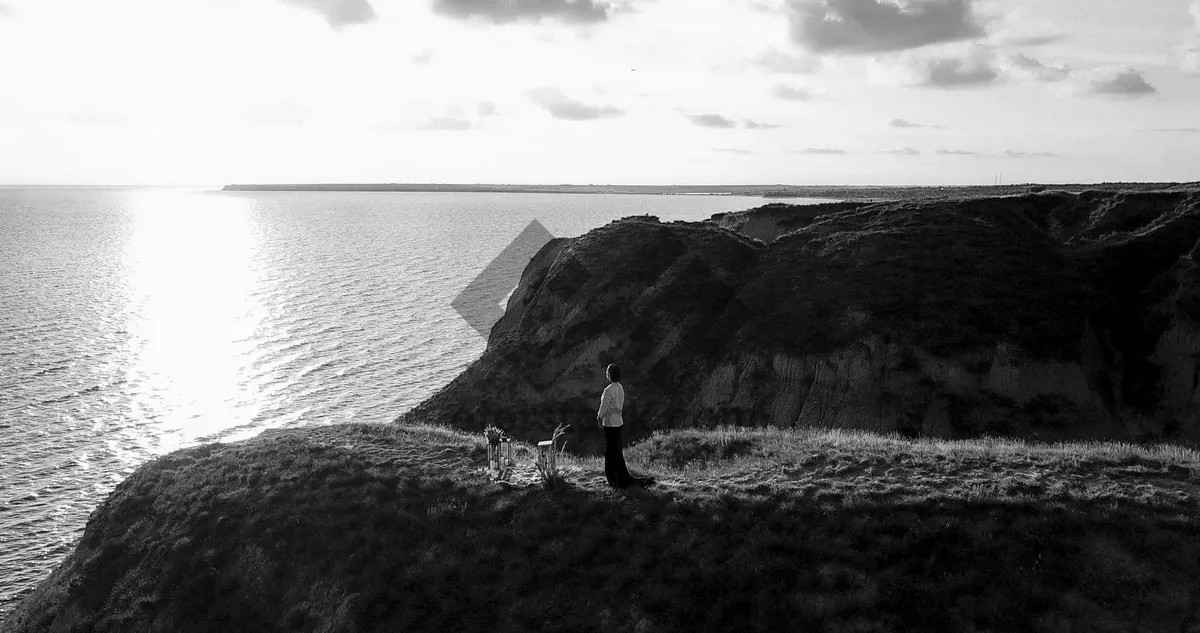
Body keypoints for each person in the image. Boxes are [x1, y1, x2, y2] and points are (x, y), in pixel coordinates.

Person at [597, 364, 652, 489]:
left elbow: (604, 406)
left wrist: (599, 417)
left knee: (610, 451)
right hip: (618, 422)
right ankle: (620, 475)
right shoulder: (620, 388)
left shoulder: (608, 390)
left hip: (609, 423)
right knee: (617, 450)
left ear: (610, 374)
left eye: (607, 371)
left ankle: (612, 478)